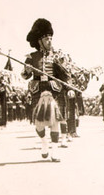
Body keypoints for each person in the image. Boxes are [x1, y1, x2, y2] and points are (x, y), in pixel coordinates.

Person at [21, 18, 70, 162]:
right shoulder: (32, 57)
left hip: (54, 90)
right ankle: (44, 143)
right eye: (47, 39)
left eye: (51, 38)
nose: (50, 41)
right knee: (38, 122)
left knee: (55, 121)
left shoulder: (57, 56)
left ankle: (54, 152)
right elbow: (25, 76)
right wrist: (27, 69)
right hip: (38, 90)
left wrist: (68, 88)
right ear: (39, 41)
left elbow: (66, 75)